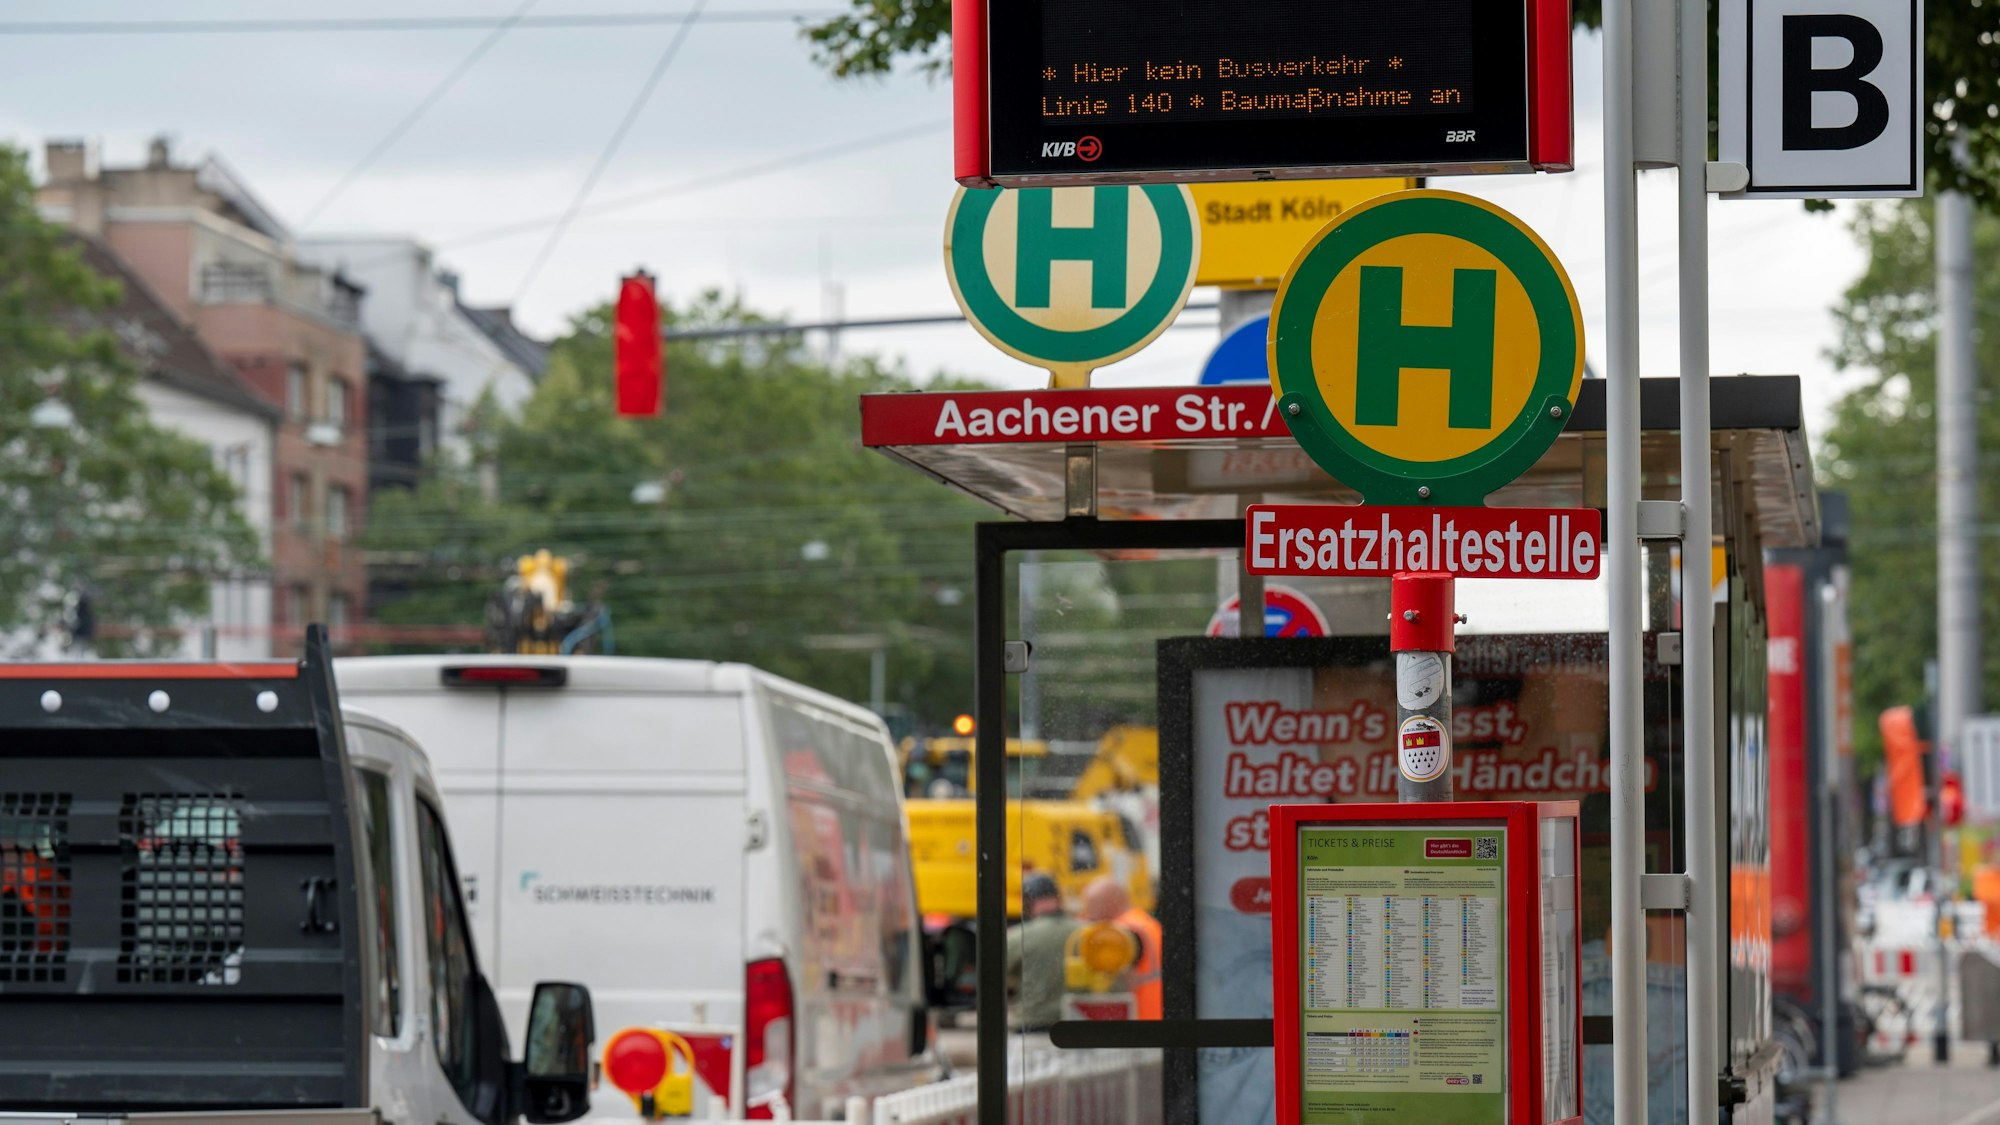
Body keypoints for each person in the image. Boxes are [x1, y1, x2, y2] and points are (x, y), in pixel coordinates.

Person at [1080, 876, 1163, 1019]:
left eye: (1092, 906)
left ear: (1110, 902)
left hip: (1142, 1015)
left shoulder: (1120, 933)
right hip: (1157, 1011)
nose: (1089, 915)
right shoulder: (1144, 922)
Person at [1004, 871, 1077, 1032]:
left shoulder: (1018, 937)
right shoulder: (1085, 933)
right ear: (1058, 898)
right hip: (1078, 1023)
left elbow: (999, 978)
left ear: (1027, 903)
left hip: (1034, 1025)